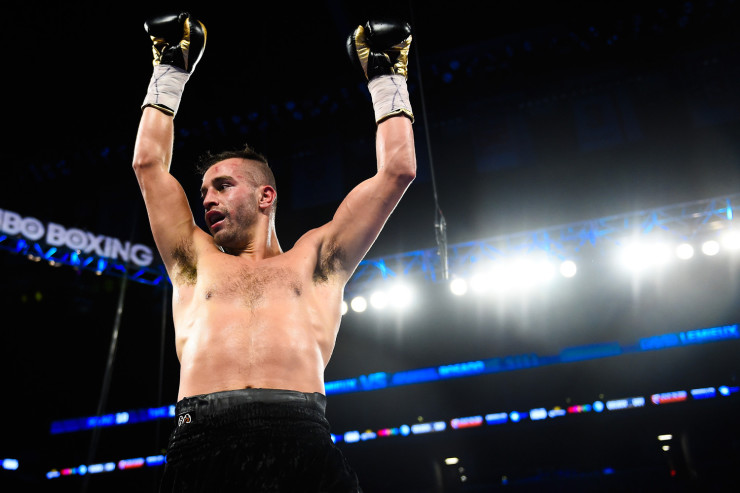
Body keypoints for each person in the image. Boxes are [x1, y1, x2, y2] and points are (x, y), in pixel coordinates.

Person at [132, 11, 417, 492]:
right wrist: (169, 71)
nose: (207, 199)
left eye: (223, 186)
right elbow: (148, 165)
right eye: (204, 191)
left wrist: (387, 76)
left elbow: (398, 171)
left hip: (300, 436)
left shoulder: (316, 259)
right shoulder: (194, 259)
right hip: (201, 438)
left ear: (266, 197)